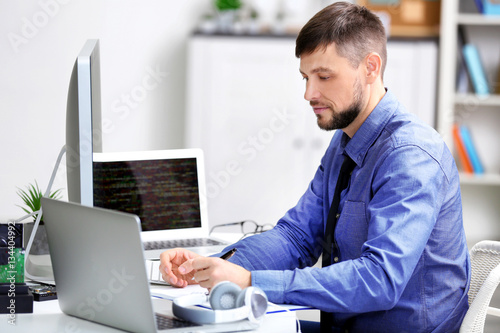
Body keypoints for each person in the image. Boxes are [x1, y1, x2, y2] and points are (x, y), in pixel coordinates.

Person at [160, 2, 470, 332]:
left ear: (370, 68)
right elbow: (297, 237)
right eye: (306, 77)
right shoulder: (346, 141)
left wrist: (251, 281)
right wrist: (214, 267)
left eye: (324, 76)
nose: (309, 93)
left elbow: (380, 280)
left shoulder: (411, 156)